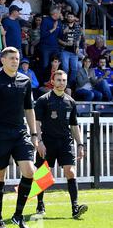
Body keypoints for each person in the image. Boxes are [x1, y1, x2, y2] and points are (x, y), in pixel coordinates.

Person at [0, 47, 39, 228]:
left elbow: (29, 109)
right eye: (11, 58)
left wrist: (34, 134)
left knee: (29, 172)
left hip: (20, 133)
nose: (15, 61)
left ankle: (18, 216)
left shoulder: (25, 80)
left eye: (17, 58)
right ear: (2, 60)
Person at [34, 70, 88, 219]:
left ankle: (75, 208)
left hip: (65, 142)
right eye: (58, 80)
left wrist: (80, 144)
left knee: (70, 172)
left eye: (64, 80)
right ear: (52, 81)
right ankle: (40, 204)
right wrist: (40, 142)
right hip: (47, 142)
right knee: (43, 174)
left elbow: (74, 125)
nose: (61, 83)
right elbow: (36, 123)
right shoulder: (43, 100)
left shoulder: (70, 101)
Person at [59, 12, 81, 88]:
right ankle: (64, 83)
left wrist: (78, 47)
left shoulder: (77, 27)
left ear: (74, 18)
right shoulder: (63, 25)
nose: (70, 18)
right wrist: (64, 32)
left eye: (71, 17)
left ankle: (70, 85)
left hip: (74, 51)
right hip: (64, 50)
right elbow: (59, 37)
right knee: (65, 68)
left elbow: (78, 38)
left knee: (74, 69)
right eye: (68, 17)